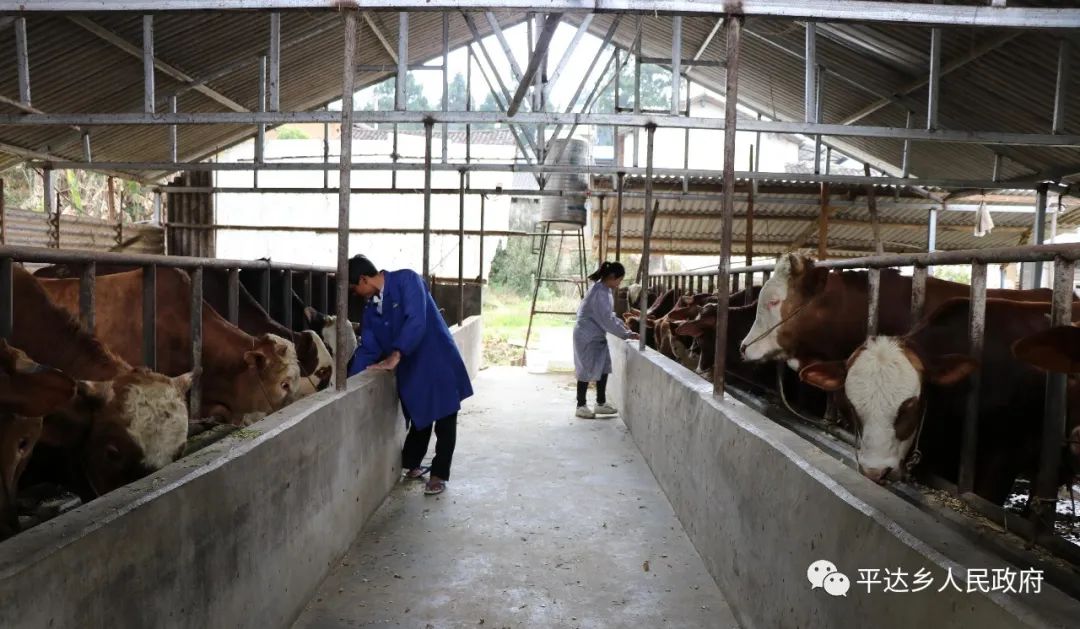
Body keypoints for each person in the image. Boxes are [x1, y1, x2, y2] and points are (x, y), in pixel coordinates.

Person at [346, 254, 473, 495]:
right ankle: (413, 464)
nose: (355, 293)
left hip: (436, 359)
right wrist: (350, 381)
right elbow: (369, 348)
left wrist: (396, 354)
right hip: (412, 366)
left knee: (445, 418)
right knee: (420, 416)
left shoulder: (407, 280)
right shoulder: (371, 309)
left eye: (354, 288)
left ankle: (438, 474)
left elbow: (417, 320)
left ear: (363, 279)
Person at [572, 261, 639, 419]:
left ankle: (600, 403)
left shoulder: (604, 289)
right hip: (587, 336)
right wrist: (627, 334)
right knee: (585, 369)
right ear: (611, 277)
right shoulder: (599, 293)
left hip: (596, 334)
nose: (619, 284)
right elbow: (607, 321)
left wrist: (623, 325)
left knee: (603, 366)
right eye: (619, 280)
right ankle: (580, 405)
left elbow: (609, 316)